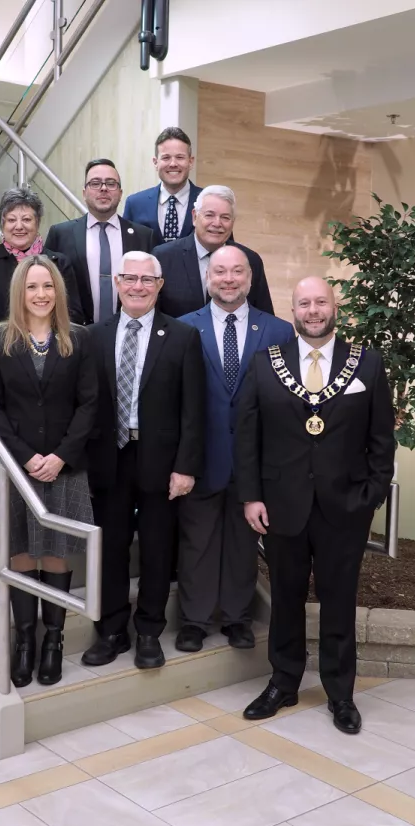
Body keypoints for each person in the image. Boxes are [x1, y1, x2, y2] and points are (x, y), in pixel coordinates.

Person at [236, 276, 395, 734]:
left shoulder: (366, 364)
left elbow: (381, 439)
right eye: (304, 303)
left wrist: (372, 496)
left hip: (345, 507)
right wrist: (251, 496)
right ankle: (283, 683)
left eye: (320, 302)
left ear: (335, 306)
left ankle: (340, 693)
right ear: (293, 310)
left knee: (339, 601)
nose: (312, 310)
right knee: (285, 598)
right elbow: (248, 436)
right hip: (281, 505)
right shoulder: (266, 364)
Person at [0, 255, 97, 689]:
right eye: (32, 287)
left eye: (48, 286)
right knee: (23, 550)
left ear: (58, 292)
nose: (41, 294)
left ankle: (54, 643)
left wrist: (60, 455)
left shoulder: (78, 340)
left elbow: (89, 405)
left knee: (57, 551)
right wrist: (26, 457)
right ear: (19, 292)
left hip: (66, 466)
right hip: (15, 467)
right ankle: (25, 642)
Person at [81, 251, 205, 670]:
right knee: (111, 548)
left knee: (156, 548)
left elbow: (194, 409)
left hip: (161, 460)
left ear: (160, 284)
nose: (137, 286)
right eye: (129, 278)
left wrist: (186, 466)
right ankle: (112, 630)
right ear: (116, 282)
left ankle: (149, 630)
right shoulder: (93, 336)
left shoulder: (183, 336)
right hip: (108, 459)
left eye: (146, 279)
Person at [176, 246, 295, 652]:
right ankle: (194, 620)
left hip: (254, 463)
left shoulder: (278, 332)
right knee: (197, 542)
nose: (228, 279)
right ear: (208, 277)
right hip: (200, 458)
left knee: (244, 543)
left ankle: (237, 617)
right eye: (220, 271)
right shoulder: (183, 328)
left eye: (237, 272)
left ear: (250, 278)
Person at [0, 188, 83, 362]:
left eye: (26, 219)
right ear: (2, 224)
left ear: (37, 223)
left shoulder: (60, 263)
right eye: (11, 220)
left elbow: (74, 314)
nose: (19, 226)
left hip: (54, 362)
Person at [44, 159, 155, 324]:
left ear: (120, 192)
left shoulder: (144, 236)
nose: (103, 188)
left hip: (129, 332)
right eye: (95, 183)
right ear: (84, 193)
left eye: (111, 183)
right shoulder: (60, 234)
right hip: (75, 334)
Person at [153, 185, 273, 316]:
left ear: (233, 222)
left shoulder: (249, 260)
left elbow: (264, 317)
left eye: (225, 217)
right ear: (194, 217)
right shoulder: (163, 257)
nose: (217, 223)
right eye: (209, 215)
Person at [123, 127, 202, 246]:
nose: (173, 164)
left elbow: (225, 248)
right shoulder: (135, 204)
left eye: (180, 157)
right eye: (166, 158)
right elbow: (126, 249)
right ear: (155, 163)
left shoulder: (209, 200)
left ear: (190, 162)